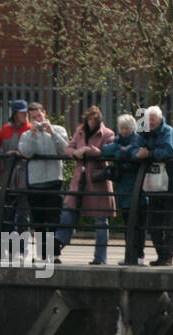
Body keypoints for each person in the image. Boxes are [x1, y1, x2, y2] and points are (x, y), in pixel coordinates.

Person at [56, 106, 115, 265]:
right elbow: (69, 148)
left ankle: (100, 258)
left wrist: (89, 150)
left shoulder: (108, 133)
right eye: (90, 119)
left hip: (97, 180)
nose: (92, 122)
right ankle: (56, 247)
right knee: (68, 212)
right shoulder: (80, 132)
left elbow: (108, 152)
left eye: (95, 120)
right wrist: (76, 153)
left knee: (101, 221)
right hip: (79, 179)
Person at [17, 102, 69, 261]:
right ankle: (41, 254)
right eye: (33, 118)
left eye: (39, 116)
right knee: (38, 220)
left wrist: (52, 133)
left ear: (45, 113)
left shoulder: (58, 130)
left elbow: (65, 149)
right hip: (35, 181)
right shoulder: (26, 134)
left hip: (54, 179)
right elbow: (26, 152)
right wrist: (33, 135)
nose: (37, 120)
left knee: (54, 218)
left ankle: (54, 254)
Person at [135, 104, 173, 266]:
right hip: (153, 184)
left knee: (169, 222)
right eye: (148, 120)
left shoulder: (167, 131)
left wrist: (150, 153)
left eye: (153, 120)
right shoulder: (145, 132)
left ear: (160, 119)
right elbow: (137, 146)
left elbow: (170, 152)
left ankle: (167, 255)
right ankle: (161, 254)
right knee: (153, 223)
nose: (151, 123)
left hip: (169, 183)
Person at [103, 114, 146, 266]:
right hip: (123, 188)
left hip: (136, 188)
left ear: (132, 128)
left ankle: (138, 254)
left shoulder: (137, 139)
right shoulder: (118, 140)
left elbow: (134, 154)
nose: (123, 131)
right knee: (127, 223)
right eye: (121, 128)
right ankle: (130, 253)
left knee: (137, 224)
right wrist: (120, 150)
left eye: (126, 128)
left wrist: (121, 152)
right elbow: (106, 151)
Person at [0, 99, 33, 238]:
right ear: (16, 114)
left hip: (25, 178)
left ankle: (22, 249)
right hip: (9, 178)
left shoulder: (30, 128)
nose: (26, 115)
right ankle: (10, 247)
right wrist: (1, 172)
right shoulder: (5, 130)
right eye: (23, 112)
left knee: (23, 215)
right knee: (8, 215)